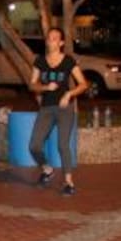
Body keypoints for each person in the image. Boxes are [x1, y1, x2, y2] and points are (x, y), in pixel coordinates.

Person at [27, 27, 89, 195]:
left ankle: (69, 183)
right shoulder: (39, 61)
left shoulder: (68, 61)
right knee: (34, 145)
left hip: (64, 108)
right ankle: (47, 169)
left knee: (63, 145)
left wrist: (69, 94)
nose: (51, 41)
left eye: (55, 38)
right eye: (49, 38)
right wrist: (45, 87)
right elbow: (31, 84)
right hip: (47, 107)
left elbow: (83, 84)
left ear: (61, 43)